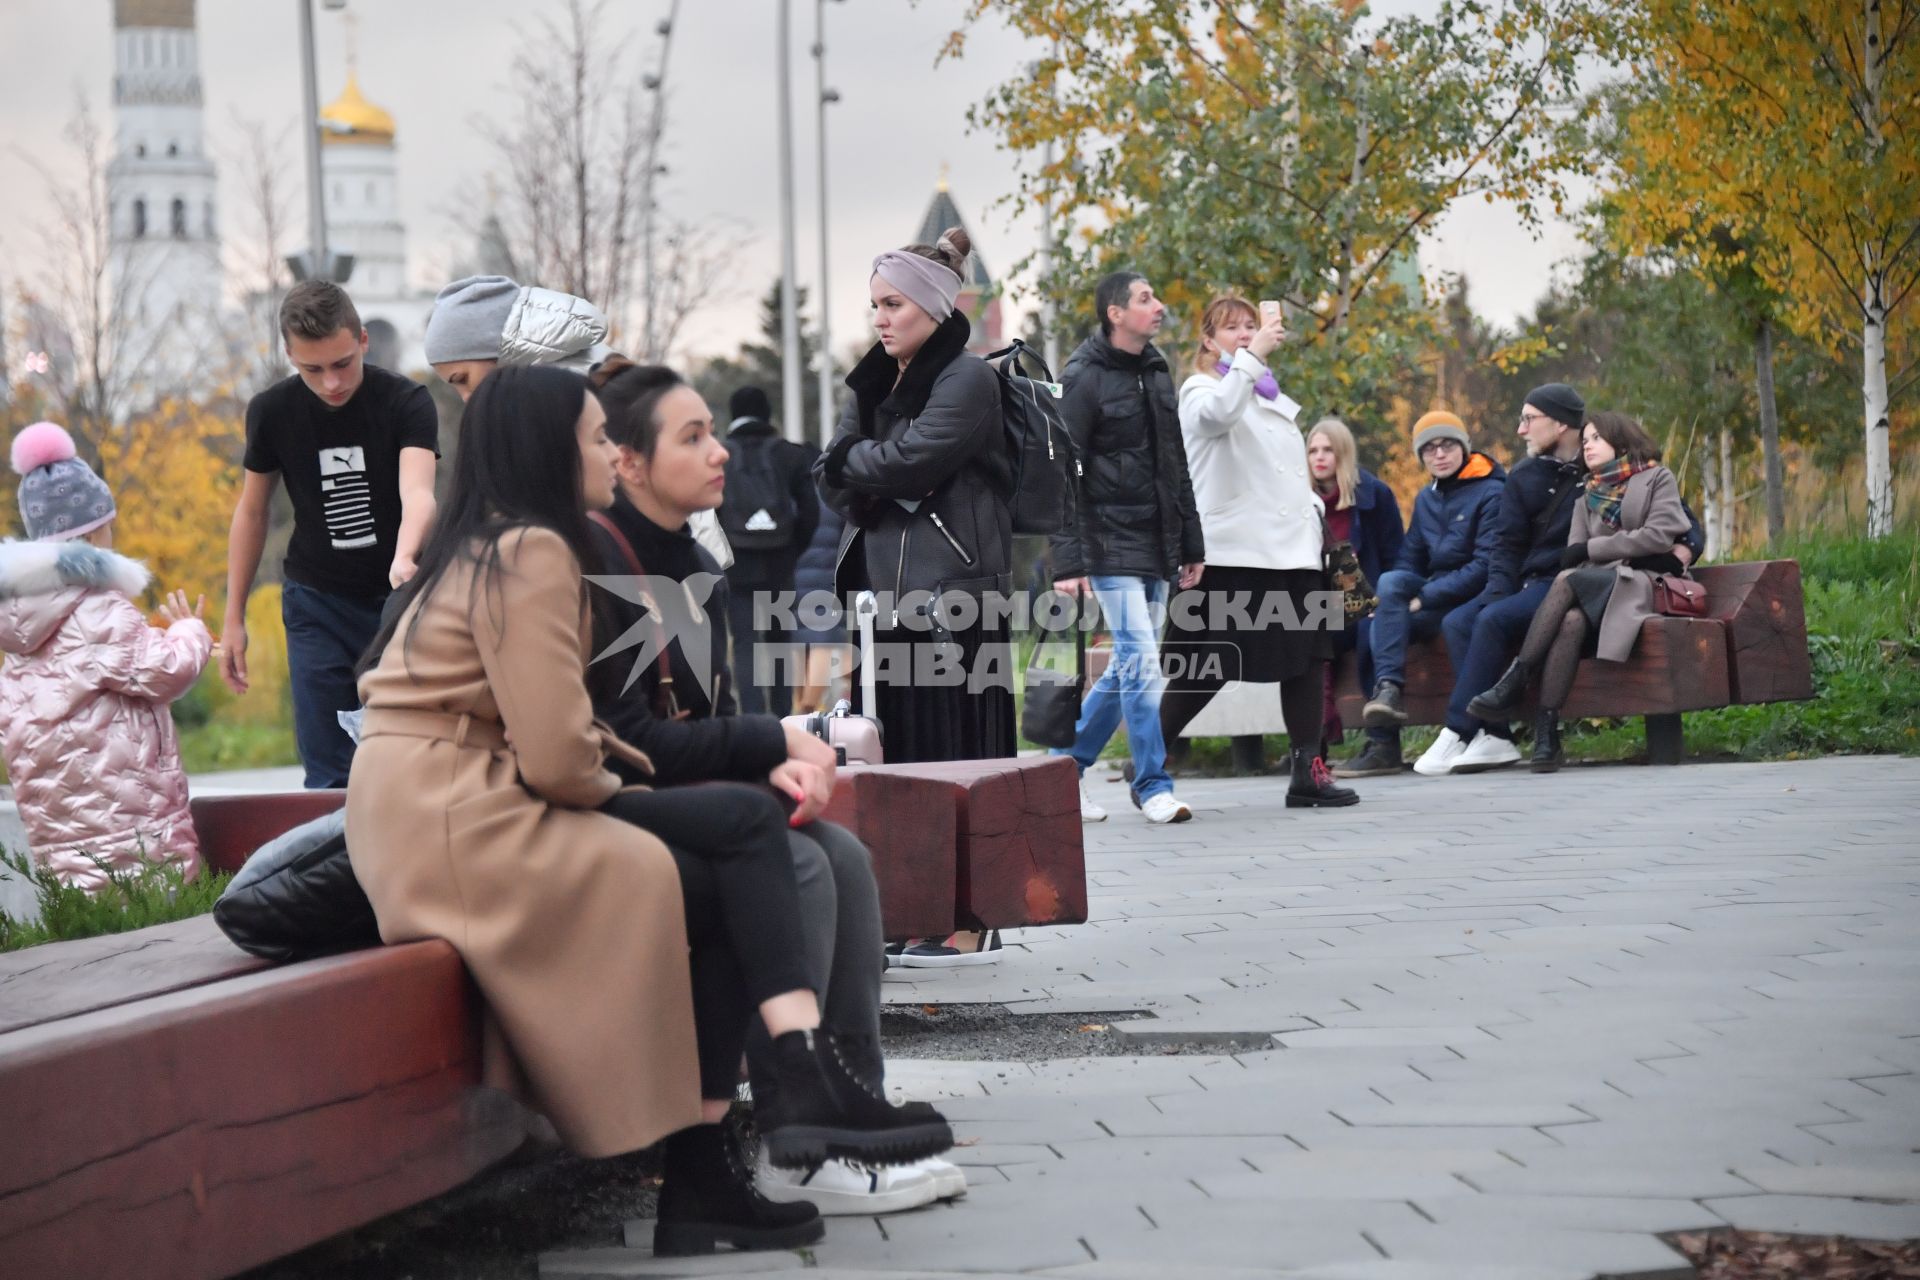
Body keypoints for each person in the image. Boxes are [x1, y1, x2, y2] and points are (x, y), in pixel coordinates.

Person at [346, 366, 951, 1258]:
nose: (609, 454)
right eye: (597, 439)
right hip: (459, 821)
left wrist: (726, 766)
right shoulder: (536, 550)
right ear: (554, 450)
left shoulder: (509, 543)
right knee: (745, 841)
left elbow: (570, 743)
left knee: (723, 877)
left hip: (442, 812)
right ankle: (798, 1086)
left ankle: (713, 1174)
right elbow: (563, 755)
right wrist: (693, 780)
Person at [586, 359, 963, 1212]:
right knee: (795, 867)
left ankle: (849, 1110)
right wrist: (770, 741)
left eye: (712, 431)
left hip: (682, 798)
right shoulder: (603, 561)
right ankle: (793, 1143)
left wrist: (774, 759)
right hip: (610, 810)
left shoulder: (688, 554)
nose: (721, 454)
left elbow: (703, 718)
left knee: (844, 858)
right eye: (694, 438)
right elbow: (629, 739)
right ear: (630, 463)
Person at [814, 225, 1015, 968]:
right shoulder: (872, 381)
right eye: (874, 305)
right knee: (894, 758)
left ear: (932, 307)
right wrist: (868, 464)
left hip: (956, 594)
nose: (880, 319)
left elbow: (910, 461)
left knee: (958, 754)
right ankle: (908, 908)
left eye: (893, 304)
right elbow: (831, 474)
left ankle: (967, 917)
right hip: (883, 599)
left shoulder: (967, 378)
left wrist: (861, 463)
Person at [223, 281, 439, 788]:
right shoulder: (272, 411)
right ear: (289, 356)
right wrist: (233, 616)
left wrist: (406, 557)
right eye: (311, 369)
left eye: (342, 363)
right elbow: (252, 513)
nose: (331, 383)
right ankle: (337, 866)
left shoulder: (405, 401)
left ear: (363, 339)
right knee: (328, 773)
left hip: (396, 601)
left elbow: (419, 494)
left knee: (412, 760)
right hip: (315, 603)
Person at [1428, 385, 1707, 777]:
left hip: (1596, 581)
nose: (1521, 430)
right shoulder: (1553, 480)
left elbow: (1680, 524)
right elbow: (1507, 546)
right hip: (1560, 583)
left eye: (1529, 419)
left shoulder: (1621, 471)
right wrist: (1486, 595)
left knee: (1500, 615)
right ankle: (1515, 734)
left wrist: (1685, 550)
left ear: (1559, 424)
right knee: (1457, 619)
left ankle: (1467, 722)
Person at [1161, 297, 1356, 807]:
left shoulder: (1268, 394)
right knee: (1206, 665)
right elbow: (1217, 416)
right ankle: (1149, 761)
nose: (1246, 334)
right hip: (1231, 554)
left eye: (1252, 326)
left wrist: (1312, 509)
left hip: (1292, 553)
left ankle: (1307, 772)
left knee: (1308, 661)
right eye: (1232, 328)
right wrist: (1253, 358)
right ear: (1208, 342)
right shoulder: (1201, 388)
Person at [1, 423, 212, 890]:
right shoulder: (99, 610)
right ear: (96, 532)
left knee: (90, 929)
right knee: (158, 930)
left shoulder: (16, 635)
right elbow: (166, 670)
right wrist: (189, 630)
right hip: (135, 830)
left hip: (59, 836)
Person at [423, 273, 735, 571]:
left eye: (462, 379)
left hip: (651, 563)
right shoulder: (584, 369)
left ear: (494, 348)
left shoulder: (567, 393)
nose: (466, 397)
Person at [1049, 272, 1204, 826]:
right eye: (1145, 299)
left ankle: (1061, 769)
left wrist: (1190, 541)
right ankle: (1152, 783)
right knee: (1140, 660)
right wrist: (1066, 559)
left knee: (1126, 666)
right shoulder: (1083, 378)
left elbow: (1176, 465)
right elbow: (1059, 471)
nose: (1158, 306)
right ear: (1115, 313)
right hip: (1106, 543)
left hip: (1156, 541)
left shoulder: (1159, 371)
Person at [1357, 411, 1505, 768]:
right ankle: (1388, 691)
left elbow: (1485, 567)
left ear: (1464, 448)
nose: (1439, 454)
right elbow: (1410, 559)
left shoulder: (1492, 491)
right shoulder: (1427, 498)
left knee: (1424, 614)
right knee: (1387, 590)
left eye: (1447, 445)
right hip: (1434, 593)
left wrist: (1424, 599)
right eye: (1429, 449)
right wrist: (1391, 601)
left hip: (1471, 598)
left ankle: (1478, 732)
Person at [1305, 419, 1408, 778]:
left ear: (1343, 453)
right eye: (1313, 450)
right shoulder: (1299, 500)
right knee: (1307, 636)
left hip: (1367, 596)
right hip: (1319, 601)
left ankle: (1383, 743)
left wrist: (1386, 600)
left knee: (1370, 633)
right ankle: (1311, 742)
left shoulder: (1372, 495)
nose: (1319, 457)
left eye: (1328, 449)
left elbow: (1396, 554)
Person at [718, 385, 820, 717]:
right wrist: (792, 548)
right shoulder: (788, 454)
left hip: (736, 560)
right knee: (779, 642)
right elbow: (810, 512)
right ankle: (782, 718)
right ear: (766, 412)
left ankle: (751, 717)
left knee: (745, 642)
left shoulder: (720, 455)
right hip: (779, 560)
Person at [790, 492, 851, 713]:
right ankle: (809, 706)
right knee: (822, 640)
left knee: (798, 640)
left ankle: (798, 703)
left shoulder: (794, 491)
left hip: (795, 573)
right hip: (827, 574)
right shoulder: (833, 495)